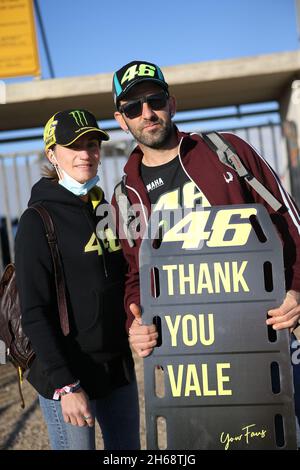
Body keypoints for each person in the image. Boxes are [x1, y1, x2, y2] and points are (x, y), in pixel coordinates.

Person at [111, 60, 300, 357]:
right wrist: (135, 326)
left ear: (171, 105)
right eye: (133, 108)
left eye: (155, 101)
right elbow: (136, 274)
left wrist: (296, 289)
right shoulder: (124, 197)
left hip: (264, 324)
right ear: (121, 120)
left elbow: (288, 220)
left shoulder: (226, 151)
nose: (147, 113)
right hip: (188, 349)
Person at [15, 109, 140, 450]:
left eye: (92, 144)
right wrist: (66, 385)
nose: (86, 154)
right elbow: (34, 312)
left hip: (117, 369)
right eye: (74, 146)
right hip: (68, 375)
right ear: (53, 154)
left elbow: (127, 277)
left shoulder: (105, 208)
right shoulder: (36, 221)